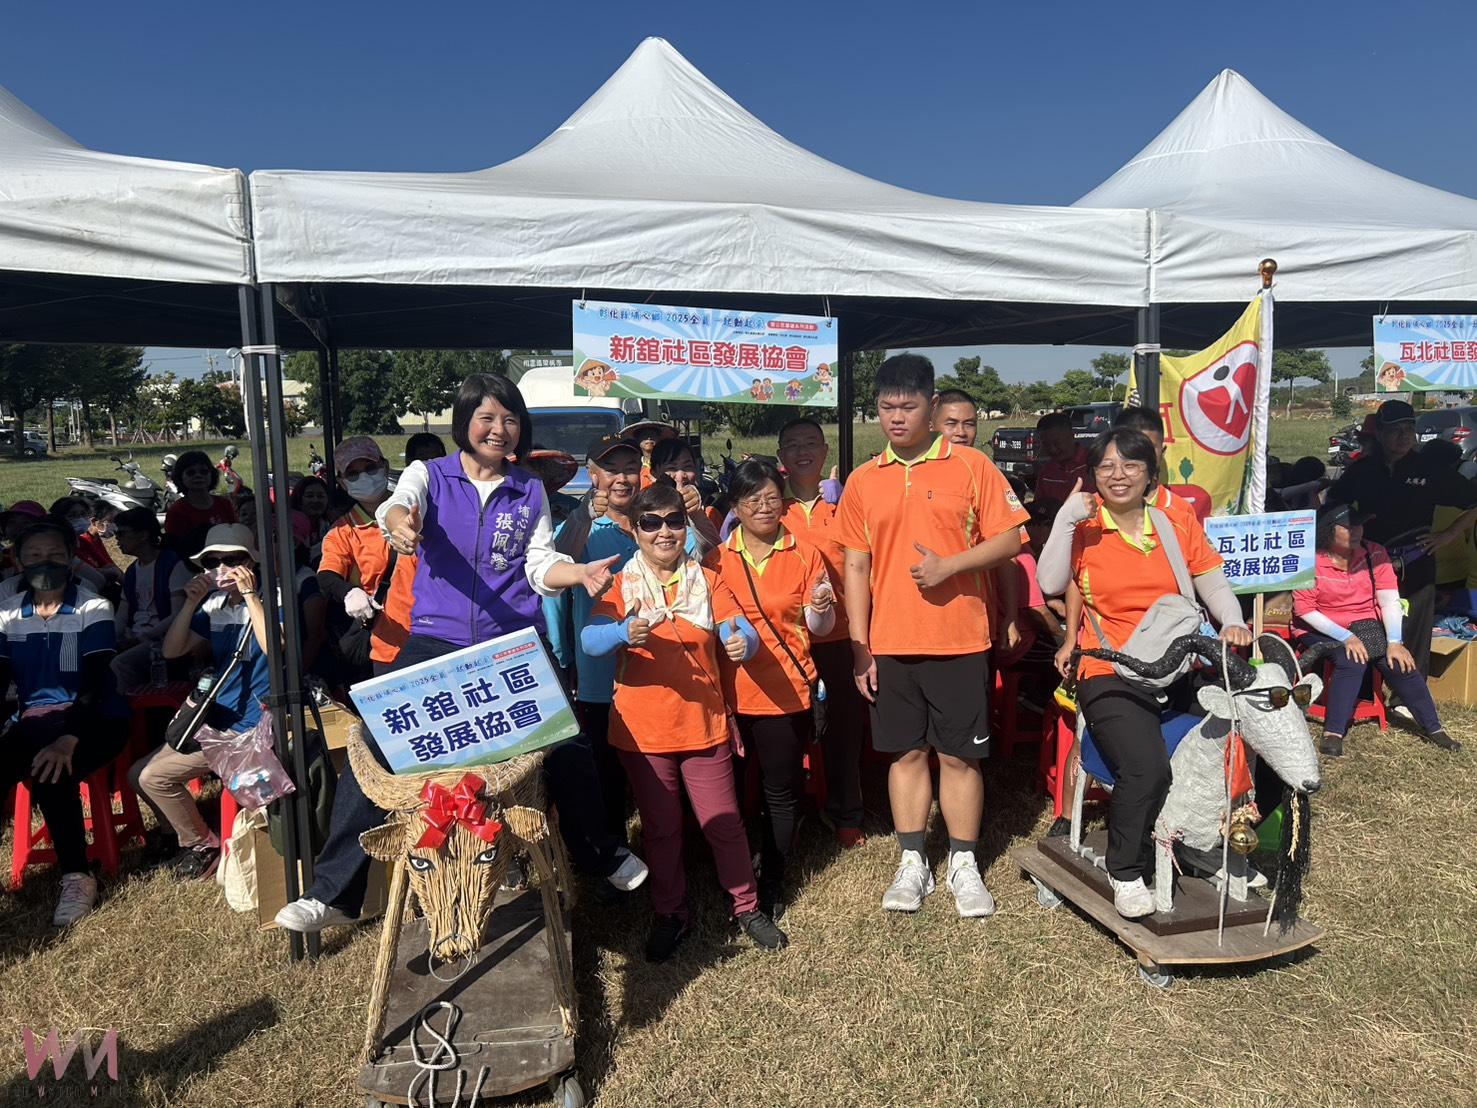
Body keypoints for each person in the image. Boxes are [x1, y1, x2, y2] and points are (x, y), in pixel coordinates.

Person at [276, 375, 643, 935]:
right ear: (464, 423)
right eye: (487, 418)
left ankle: (602, 855)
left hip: (509, 639)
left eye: (511, 419)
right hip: (435, 638)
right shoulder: (431, 474)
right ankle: (333, 893)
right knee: (373, 744)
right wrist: (399, 525)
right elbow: (398, 508)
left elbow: (540, 564)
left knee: (566, 740)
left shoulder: (528, 489)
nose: (500, 429)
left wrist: (579, 574)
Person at [836, 354, 1029, 917]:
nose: (896, 418)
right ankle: (913, 858)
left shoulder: (971, 467)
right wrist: (858, 645)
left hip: (960, 638)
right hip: (890, 641)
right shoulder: (864, 479)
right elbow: (854, 566)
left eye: (908, 406)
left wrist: (952, 566)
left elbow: (1012, 541)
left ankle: (964, 863)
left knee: (960, 757)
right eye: (885, 408)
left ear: (932, 405)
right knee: (905, 753)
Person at [1038, 428, 1250, 919]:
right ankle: (1125, 868)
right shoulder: (1086, 526)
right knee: (1147, 768)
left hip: (1176, 663)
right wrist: (1067, 517)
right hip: (1108, 667)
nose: (1118, 474)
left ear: (1151, 474)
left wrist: (1233, 621)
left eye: (1131, 465)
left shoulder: (1175, 521)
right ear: (1092, 475)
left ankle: (1202, 841)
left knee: (1242, 735)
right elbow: (1049, 581)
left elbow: (1211, 581)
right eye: (1106, 466)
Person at [581, 483, 787, 961]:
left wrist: (743, 643)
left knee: (725, 823)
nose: (665, 532)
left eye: (674, 520)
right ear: (635, 529)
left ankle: (746, 906)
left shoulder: (706, 581)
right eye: (651, 523)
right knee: (662, 827)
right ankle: (671, 914)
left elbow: (741, 627)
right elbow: (591, 640)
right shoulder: (622, 585)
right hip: (643, 731)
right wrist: (619, 631)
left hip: (702, 723)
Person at [547, 434, 705, 846]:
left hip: (667, 675)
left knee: (669, 773)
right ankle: (615, 853)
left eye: (630, 469)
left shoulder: (663, 521)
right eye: (610, 470)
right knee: (606, 772)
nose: (621, 478)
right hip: (602, 679)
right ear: (592, 475)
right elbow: (555, 572)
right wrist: (582, 517)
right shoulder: (581, 526)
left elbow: (708, 561)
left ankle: (683, 847)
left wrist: (699, 517)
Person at [713, 459, 835, 916]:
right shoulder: (716, 560)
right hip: (729, 693)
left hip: (786, 691)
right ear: (735, 507)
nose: (763, 507)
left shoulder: (804, 553)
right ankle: (737, 868)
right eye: (752, 500)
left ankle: (775, 877)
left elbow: (820, 627)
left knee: (780, 790)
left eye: (770, 498)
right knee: (731, 789)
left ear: (783, 502)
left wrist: (821, 606)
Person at [0, 518, 128, 925]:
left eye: (55, 553)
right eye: (34, 555)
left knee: (53, 770)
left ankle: (77, 875)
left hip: (96, 720)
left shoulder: (93, 607)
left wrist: (69, 738)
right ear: (17, 560)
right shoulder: (7, 611)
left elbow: (93, 684)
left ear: (72, 557)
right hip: (35, 720)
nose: (45, 562)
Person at [132, 524, 275, 880]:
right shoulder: (213, 605)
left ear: (252, 563)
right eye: (213, 561)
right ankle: (187, 836)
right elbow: (171, 650)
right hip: (216, 718)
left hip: (252, 725)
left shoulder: (275, 599)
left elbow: (276, 648)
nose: (222, 568)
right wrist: (191, 602)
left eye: (233, 560)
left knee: (153, 776)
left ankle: (202, 845)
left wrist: (252, 596)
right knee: (138, 775)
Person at [1293, 502, 1456, 756]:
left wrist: (1394, 641)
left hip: (1364, 622)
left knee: (1400, 662)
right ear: (1328, 531)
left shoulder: (1374, 553)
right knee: (1351, 660)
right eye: (1348, 526)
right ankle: (1334, 731)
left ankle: (1434, 728)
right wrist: (1346, 637)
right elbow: (1305, 610)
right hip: (1320, 625)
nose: (1357, 530)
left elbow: (1389, 599)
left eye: (1359, 525)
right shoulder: (1310, 560)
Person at [1330, 399, 1477, 677]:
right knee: (1369, 620)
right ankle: (1369, 680)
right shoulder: (1363, 469)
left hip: (1417, 558)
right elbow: (1336, 503)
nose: (1404, 436)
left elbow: (1472, 503)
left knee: (1415, 627)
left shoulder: (1429, 468)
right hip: (1370, 560)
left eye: (1409, 429)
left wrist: (1448, 535)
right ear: (1380, 434)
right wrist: (1347, 533)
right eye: (1396, 430)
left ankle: (1408, 693)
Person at [774, 417, 865, 848]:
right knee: (790, 733)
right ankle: (789, 812)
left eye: (811, 442)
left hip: (842, 639)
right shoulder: (770, 507)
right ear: (781, 458)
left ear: (826, 451)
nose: (802, 450)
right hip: (788, 643)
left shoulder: (847, 505)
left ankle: (847, 812)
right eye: (792, 444)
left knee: (845, 731)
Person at [316, 436, 401, 685]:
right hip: (384, 634)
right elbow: (327, 574)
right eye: (352, 474)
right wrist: (350, 593)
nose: (364, 477)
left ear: (384, 466)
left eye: (370, 468)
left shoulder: (417, 510)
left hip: (431, 626)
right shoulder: (343, 530)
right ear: (342, 483)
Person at [111, 507, 192, 690]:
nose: (117, 538)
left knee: (121, 664)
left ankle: (123, 714)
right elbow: (122, 616)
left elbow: (178, 614)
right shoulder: (132, 571)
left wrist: (142, 638)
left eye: (122, 533)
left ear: (143, 535)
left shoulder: (173, 564)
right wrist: (109, 640)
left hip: (164, 640)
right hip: (137, 636)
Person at [648, 437, 723, 548]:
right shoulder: (646, 515)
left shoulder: (710, 514)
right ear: (654, 473)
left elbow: (715, 554)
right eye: (672, 468)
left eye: (688, 467)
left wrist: (696, 514)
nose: (682, 475)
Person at [165, 450, 238, 559]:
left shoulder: (224, 504)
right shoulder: (177, 511)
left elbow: (236, 535)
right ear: (180, 477)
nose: (198, 476)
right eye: (191, 472)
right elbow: (175, 549)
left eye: (204, 472)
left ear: (212, 474)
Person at [1034, 412, 1093, 504]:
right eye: (1046, 444)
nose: (1052, 449)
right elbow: (1039, 507)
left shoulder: (1094, 463)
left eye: (1057, 442)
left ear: (1072, 436)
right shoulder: (1046, 472)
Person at [621, 420, 678, 487]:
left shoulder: (669, 464)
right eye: (644, 435)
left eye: (652, 435)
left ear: (659, 438)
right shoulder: (634, 466)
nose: (649, 438)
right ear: (637, 440)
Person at [289, 475, 334, 557]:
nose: (315, 500)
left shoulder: (332, 525)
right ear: (299, 498)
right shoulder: (290, 526)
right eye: (309, 496)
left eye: (320, 496)